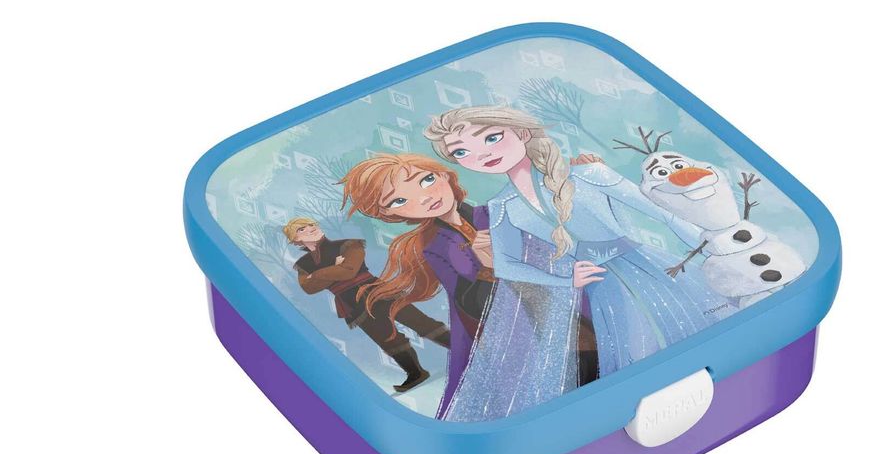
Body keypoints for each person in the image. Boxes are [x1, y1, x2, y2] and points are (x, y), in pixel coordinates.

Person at [423, 106, 731, 418]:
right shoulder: (503, 206)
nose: (482, 154)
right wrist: (565, 280)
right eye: (461, 152)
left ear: (523, 133)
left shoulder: (589, 174)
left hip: (648, 268)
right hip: (600, 293)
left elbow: (663, 213)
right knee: (634, 357)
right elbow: (508, 266)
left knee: (696, 329)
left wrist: (718, 249)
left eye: (491, 138)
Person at [337, 157, 496, 418]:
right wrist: (489, 268)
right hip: (491, 321)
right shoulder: (434, 244)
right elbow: (466, 298)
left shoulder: (487, 213)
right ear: (388, 213)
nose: (425, 198)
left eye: (427, 179)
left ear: (445, 175)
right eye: (399, 200)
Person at [282, 217, 449, 394]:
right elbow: (309, 288)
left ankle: (461, 348)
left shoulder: (349, 245)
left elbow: (348, 271)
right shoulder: (303, 264)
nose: (310, 228)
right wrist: (332, 270)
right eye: (301, 229)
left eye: (311, 225)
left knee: (420, 322)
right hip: (351, 304)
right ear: (295, 239)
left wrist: (316, 275)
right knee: (386, 339)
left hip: (378, 291)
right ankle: (416, 373)